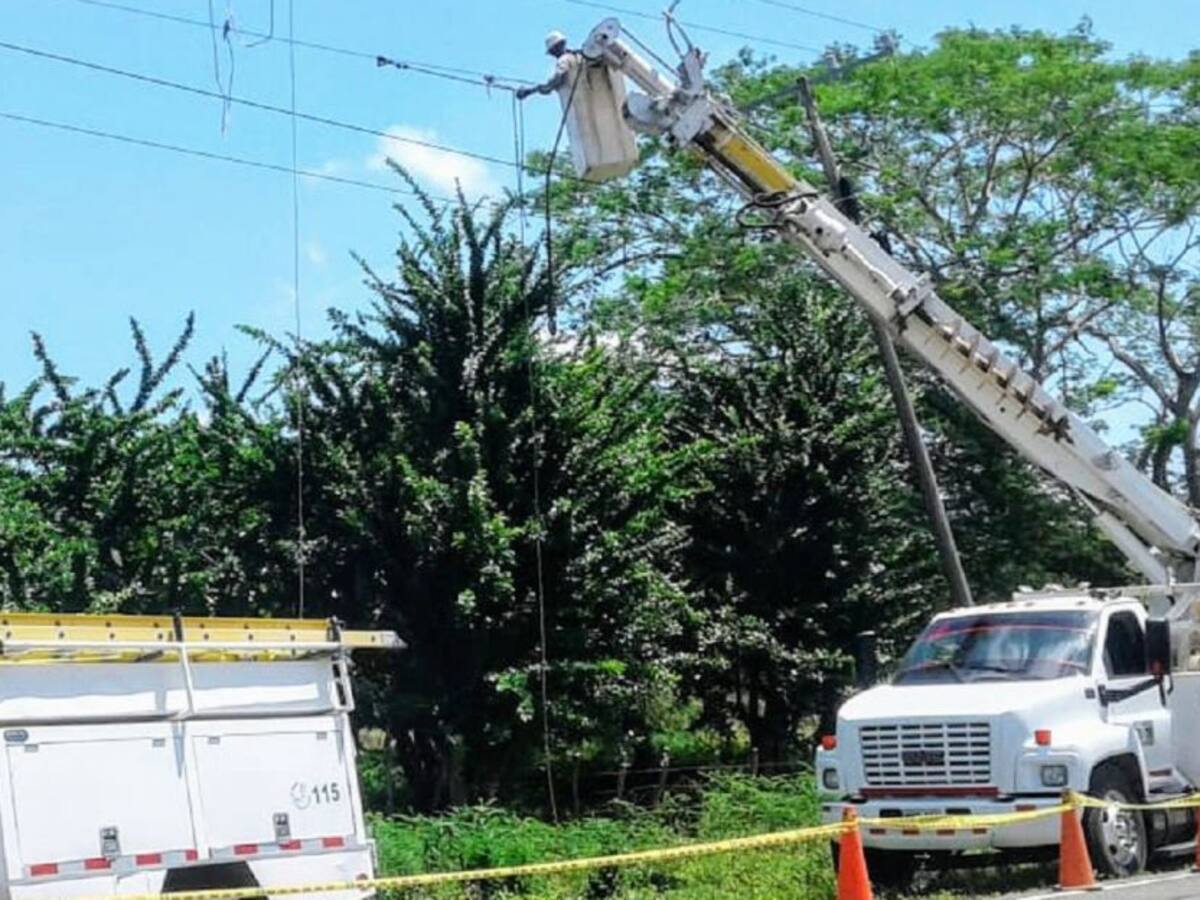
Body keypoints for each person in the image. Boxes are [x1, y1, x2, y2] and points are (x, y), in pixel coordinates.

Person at [515, 32, 581, 101]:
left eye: (552, 52)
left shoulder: (563, 60)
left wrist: (529, 91)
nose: (553, 55)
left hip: (577, 103)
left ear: (556, 47)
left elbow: (553, 82)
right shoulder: (578, 57)